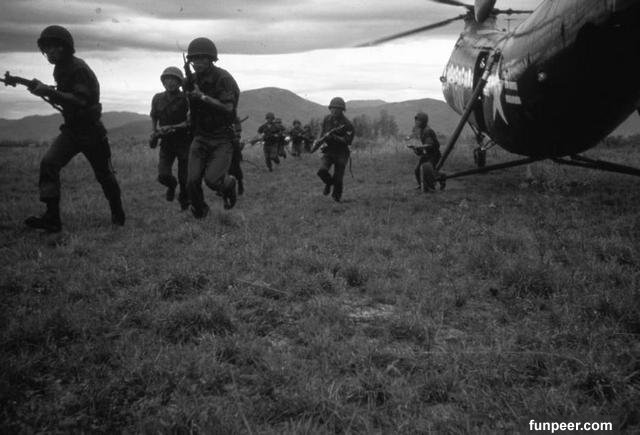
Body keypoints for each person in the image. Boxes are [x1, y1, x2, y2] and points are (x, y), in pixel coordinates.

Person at [24, 25, 125, 233]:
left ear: (65, 47)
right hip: (72, 130)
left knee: (104, 174)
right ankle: (52, 218)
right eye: (46, 48)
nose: (50, 52)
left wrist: (49, 92)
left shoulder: (78, 68)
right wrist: (44, 90)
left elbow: (80, 100)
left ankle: (118, 214)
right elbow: (65, 97)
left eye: (54, 47)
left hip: (91, 131)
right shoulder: (60, 68)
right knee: (49, 163)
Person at [183, 37, 240, 218]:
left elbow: (228, 107)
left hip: (222, 137)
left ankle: (230, 185)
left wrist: (202, 97)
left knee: (213, 181)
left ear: (211, 59)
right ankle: (201, 213)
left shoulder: (223, 78)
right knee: (191, 182)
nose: (197, 63)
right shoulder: (190, 80)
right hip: (200, 136)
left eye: (202, 58)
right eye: (194, 59)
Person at [149, 66, 190, 210]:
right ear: (163, 81)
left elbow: (189, 122)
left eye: (174, 79)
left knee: (184, 177)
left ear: (179, 82)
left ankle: (184, 203)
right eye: (167, 79)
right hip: (166, 142)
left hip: (184, 141)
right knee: (163, 175)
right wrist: (154, 132)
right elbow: (154, 116)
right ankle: (172, 186)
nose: (170, 82)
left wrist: (172, 127)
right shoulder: (157, 98)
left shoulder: (186, 98)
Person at [312, 97, 354, 202]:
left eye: (337, 108)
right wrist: (319, 142)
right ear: (330, 108)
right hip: (328, 150)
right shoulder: (327, 119)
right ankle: (329, 183)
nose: (334, 110)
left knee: (338, 178)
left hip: (342, 152)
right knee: (322, 171)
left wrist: (335, 137)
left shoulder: (347, 124)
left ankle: (336, 198)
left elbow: (348, 140)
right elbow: (322, 133)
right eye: (333, 108)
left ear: (342, 110)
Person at [408, 111, 442, 192]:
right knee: (417, 170)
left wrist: (418, 147)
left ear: (423, 121)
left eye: (418, 120)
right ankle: (421, 185)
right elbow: (425, 147)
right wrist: (415, 148)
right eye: (416, 120)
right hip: (427, 154)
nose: (416, 122)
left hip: (433, 155)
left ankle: (431, 186)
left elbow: (429, 144)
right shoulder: (422, 130)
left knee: (427, 168)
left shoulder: (427, 131)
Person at [229, 116, 245, 196]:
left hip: (234, 145)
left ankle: (240, 185)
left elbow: (238, 133)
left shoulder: (235, 120)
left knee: (236, 169)